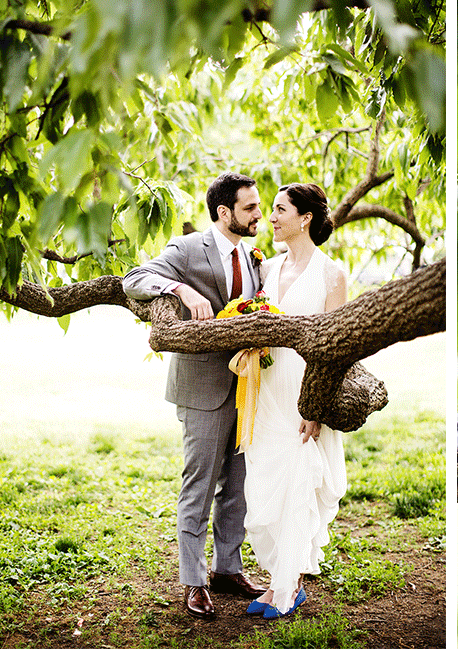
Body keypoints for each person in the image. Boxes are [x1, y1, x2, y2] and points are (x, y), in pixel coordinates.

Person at [122, 172, 267, 620]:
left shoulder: (255, 255)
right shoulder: (187, 250)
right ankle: (193, 580)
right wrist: (179, 287)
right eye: (249, 208)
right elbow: (134, 278)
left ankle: (227, 568)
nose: (258, 214)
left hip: (248, 388)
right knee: (198, 486)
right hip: (202, 389)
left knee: (238, 487)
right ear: (224, 213)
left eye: (259, 206)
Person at [244, 183, 349, 619]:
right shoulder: (267, 270)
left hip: (305, 396)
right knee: (266, 486)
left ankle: (287, 588)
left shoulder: (332, 274)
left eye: (279, 209)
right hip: (268, 393)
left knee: (299, 485)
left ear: (304, 218)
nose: (270, 217)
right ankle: (277, 580)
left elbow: (336, 350)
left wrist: (317, 407)